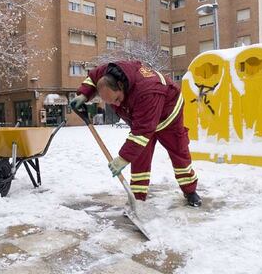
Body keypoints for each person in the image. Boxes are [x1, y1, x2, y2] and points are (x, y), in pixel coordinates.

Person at [71, 61, 202, 207]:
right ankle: (137, 199)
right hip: (142, 119)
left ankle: (190, 191)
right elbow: (93, 77)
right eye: (111, 103)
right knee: (139, 158)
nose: (117, 105)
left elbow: (141, 132)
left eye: (117, 99)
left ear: (121, 85)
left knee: (179, 152)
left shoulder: (147, 91)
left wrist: (123, 158)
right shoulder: (108, 73)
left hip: (168, 116)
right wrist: (84, 94)